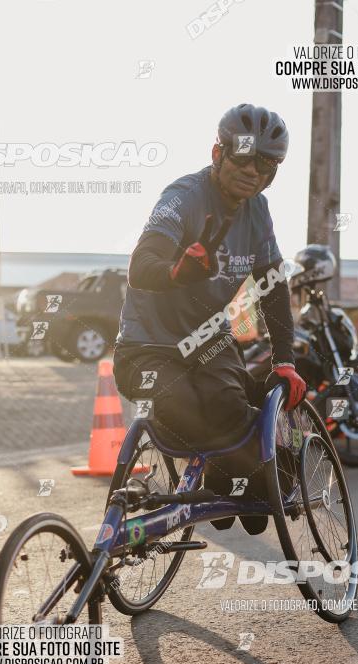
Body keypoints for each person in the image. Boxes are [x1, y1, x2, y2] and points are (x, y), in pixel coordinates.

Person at [113, 104, 306, 534]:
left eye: (266, 162)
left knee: (230, 408)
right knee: (184, 410)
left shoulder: (258, 211)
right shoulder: (184, 197)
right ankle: (232, 475)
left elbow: (272, 287)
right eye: (242, 155)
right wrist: (176, 272)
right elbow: (141, 264)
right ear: (217, 152)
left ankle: (242, 478)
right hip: (147, 346)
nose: (252, 170)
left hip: (209, 341)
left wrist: (285, 360)